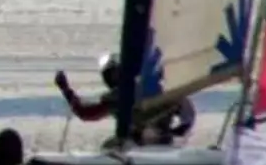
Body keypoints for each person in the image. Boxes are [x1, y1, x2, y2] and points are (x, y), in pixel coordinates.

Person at [54, 52, 196, 148]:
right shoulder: (160, 89)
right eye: (112, 75)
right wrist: (66, 90)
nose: (116, 79)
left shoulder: (119, 97)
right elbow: (86, 113)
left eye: (117, 73)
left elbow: (86, 113)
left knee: (109, 147)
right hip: (155, 144)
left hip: (147, 145)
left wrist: (66, 89)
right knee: (108, 146)